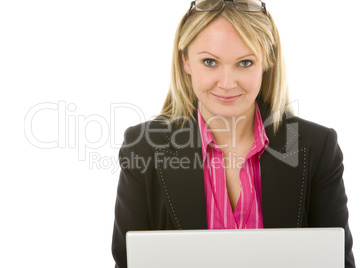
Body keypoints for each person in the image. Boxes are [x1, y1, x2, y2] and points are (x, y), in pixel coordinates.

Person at [111, 0, 355, 267]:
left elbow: (337, 261)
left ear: (266, 61)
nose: (227, 83)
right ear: (186, 61)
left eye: (245, 63)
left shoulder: (317, 147)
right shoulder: (144, 148)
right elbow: (127, 262)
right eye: (209, 61)